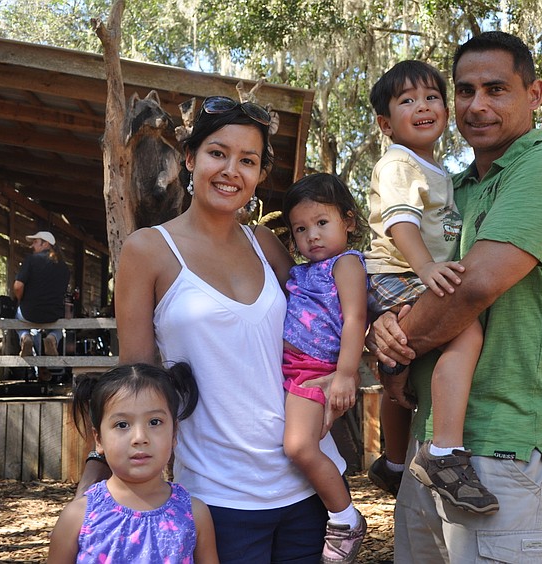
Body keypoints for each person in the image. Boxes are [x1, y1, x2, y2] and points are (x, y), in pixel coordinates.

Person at [85, 96, 347, 564]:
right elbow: (136, 380)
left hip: (309, 483)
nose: (231, 171)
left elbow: (328, 310)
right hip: (217, 495)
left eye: (247, 160)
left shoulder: (265, 243)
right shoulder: (148, 250)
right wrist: (97, 469)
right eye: (217, 153)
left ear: (259, 174)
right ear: (190, 158)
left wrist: (365, 345)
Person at [371, 31, 542, 563]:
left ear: (534, 95)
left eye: (496, 89)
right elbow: (411, 275)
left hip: (503, 446)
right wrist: (384, 322)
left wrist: (396, 350)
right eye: (465, 91)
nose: (477, 105)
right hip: (432, 447)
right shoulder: (456, 188)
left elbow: (474, 285)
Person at [363, 60, 495, 514]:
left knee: (400, 364)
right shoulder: (400, 163)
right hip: (399, 273)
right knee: (466, 332)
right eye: (407, 101)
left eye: (432, 97)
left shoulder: (436, 170)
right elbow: (400, 222)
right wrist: (425, 268)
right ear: (386, 124)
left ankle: (394, 462)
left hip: (410, 274)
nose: (423, 106)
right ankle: (444, 451)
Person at [280, 173, 370, 563]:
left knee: (299, 446)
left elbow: (355, 319)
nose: (312, 235)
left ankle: (345, 518)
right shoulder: (301, 270)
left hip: (314, 369)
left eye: (321, 222)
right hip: (290, 368)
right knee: (302, 442)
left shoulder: (346, 264)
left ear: (348, 221)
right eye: (301, 229)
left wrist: (346, 374)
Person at [47, 362, 218, 563]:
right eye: (122, 425)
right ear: (98, 439)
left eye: (154, 422)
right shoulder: (77, 517)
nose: (140, 438)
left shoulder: (194, 514)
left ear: (174, 434)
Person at [13, 231, 70, 358]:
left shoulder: (31, 260)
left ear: (46, 244)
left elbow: (18, 286)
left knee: (17, 316)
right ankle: (52, 338)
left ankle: (25, 337)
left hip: (29, 313)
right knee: (58, 328)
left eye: (35, 242)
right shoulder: (64, 267)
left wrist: (21, 300)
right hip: (53, 315)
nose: (32, 246)